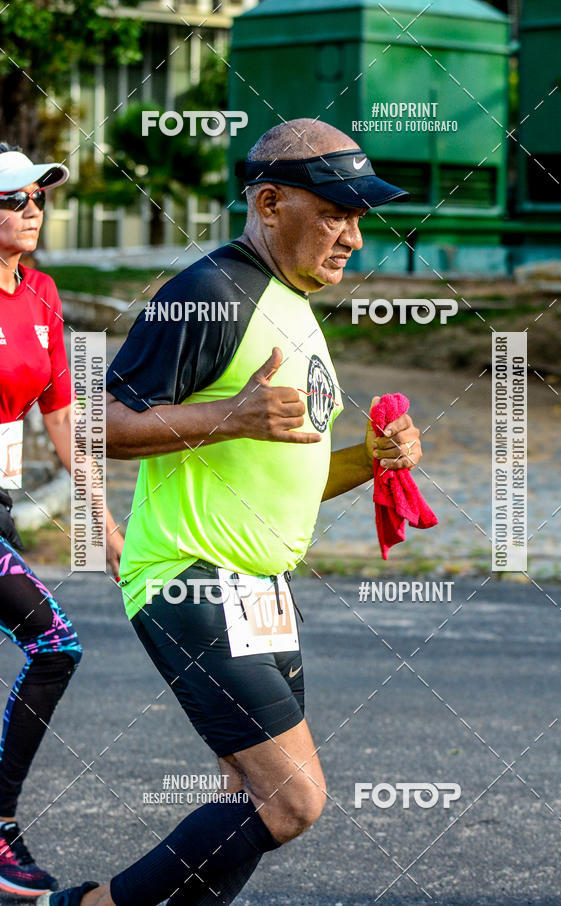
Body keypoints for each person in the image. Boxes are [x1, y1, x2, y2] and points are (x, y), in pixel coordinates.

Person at [44, 118, 422, 906]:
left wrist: (368, 460)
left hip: (261, 588)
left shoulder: (292, 301)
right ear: (271, 201)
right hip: (190, 577)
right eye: (335, 213)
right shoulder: (211, 294)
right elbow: (95, 425)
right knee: (293, 800)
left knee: (243, 800)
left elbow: (282, 471)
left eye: (359, 217)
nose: (353, 235)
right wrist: (233, 418)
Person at [0, 145, 123, 897]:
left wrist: (105, 527)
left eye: (38, 198)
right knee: (55, 644)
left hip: (3, 504)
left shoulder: (41, 295)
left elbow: (66, 426)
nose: (33, 210)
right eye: (15, 199)